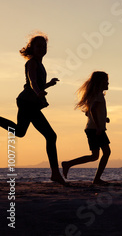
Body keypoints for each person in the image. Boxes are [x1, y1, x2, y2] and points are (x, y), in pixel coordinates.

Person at [0, 34, 66, 185]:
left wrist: (48, 84)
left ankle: (55, 173)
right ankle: (55, 173)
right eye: (38, 46)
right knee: (50, 135)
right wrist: (38, 92)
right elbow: (32, 81)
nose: (42, 49)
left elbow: (38, 83)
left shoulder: (39, 64)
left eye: (44, 46)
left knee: (21, 132)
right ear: (31, 48)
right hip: (27, 102)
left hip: (30, 103)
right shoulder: (32, 63)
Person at [62, 71, 111, 185]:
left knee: (95, 156)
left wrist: (103, 119)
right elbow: (93, 110)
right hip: (96, 130)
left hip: (91, 129)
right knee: (106, 152)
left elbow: (88, 113)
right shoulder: (98, 95)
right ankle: (97, 179)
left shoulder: (95, 95)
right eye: (106, 81)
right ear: (100, 83)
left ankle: (68, 164)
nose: (108, 83)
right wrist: (99, 126)